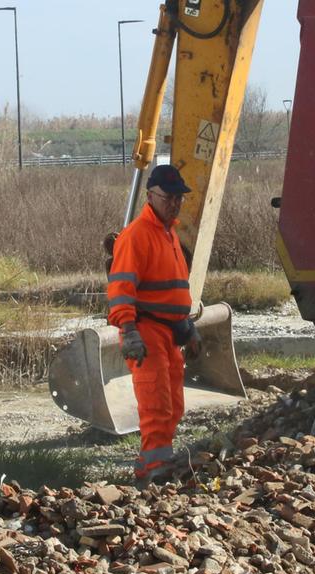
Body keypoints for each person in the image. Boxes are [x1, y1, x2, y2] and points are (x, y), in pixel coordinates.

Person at [106, 164, 202, 482]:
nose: (174, 203)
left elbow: (172, 286)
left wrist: (186, 325)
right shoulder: (137, 236)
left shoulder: (167, 233)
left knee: (173, 405)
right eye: (168, 197)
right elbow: (121, 288)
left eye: (179, 198)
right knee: (157, 404)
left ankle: (153, 465)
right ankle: (155, 471)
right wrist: (129, 330)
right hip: (146, 331)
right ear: (150, 196)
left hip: (169, 331)